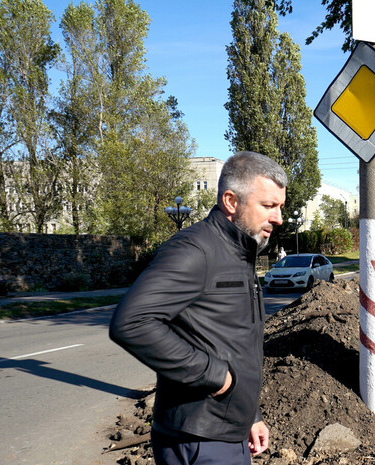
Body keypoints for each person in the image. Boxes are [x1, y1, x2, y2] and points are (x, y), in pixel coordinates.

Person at [109, 151, 287, 465]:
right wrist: (216, 377)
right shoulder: (195, 249)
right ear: (231, 201)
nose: (278, 218)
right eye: (269, 206)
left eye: (280, 207)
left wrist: (249, 415)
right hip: (200, 441)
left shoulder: (236, 253)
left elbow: (232, 342)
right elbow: (132, 322)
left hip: (224, 432)